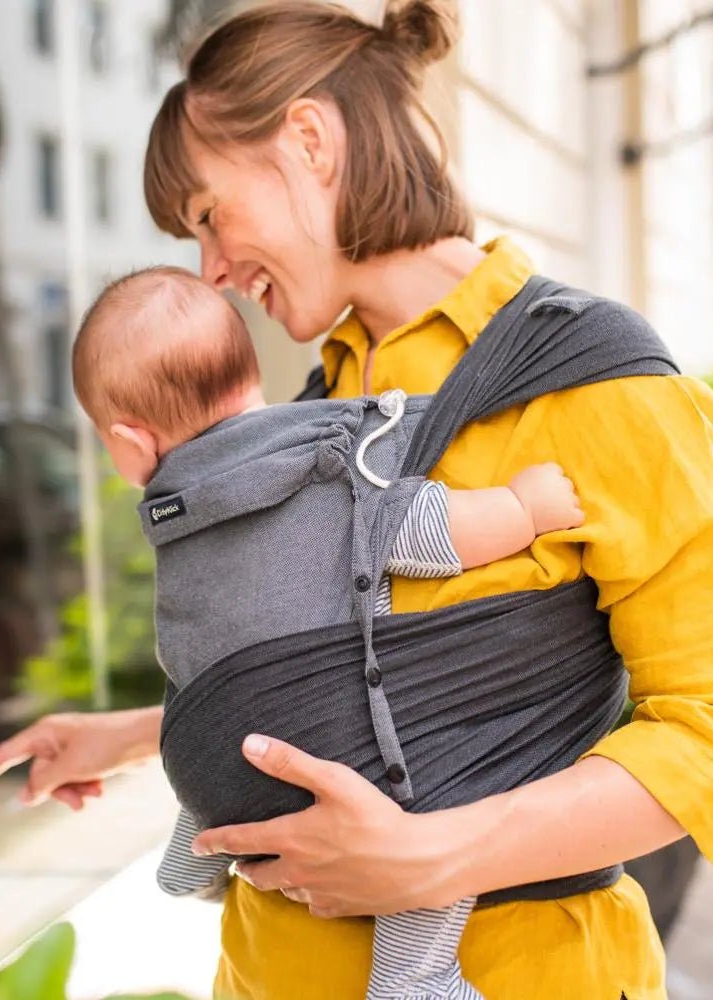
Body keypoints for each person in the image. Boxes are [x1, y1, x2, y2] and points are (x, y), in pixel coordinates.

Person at [0, 2, 713, 997]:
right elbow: (332, 655)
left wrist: (432, 855)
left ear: (308, 141)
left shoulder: (594, 382)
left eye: (210, 215)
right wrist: (141, 733)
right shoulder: (321, 408)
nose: (210, 271)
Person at [70, 262, 584, 1000]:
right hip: (349, 760)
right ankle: (417, 978)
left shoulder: (174, 519)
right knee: (443, 806)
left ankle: (199, 845)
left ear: (126, 443)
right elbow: (413, 529)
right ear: (250, 377)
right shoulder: (322, 461)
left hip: (209, 760)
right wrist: (523, 510)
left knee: (217, 693)